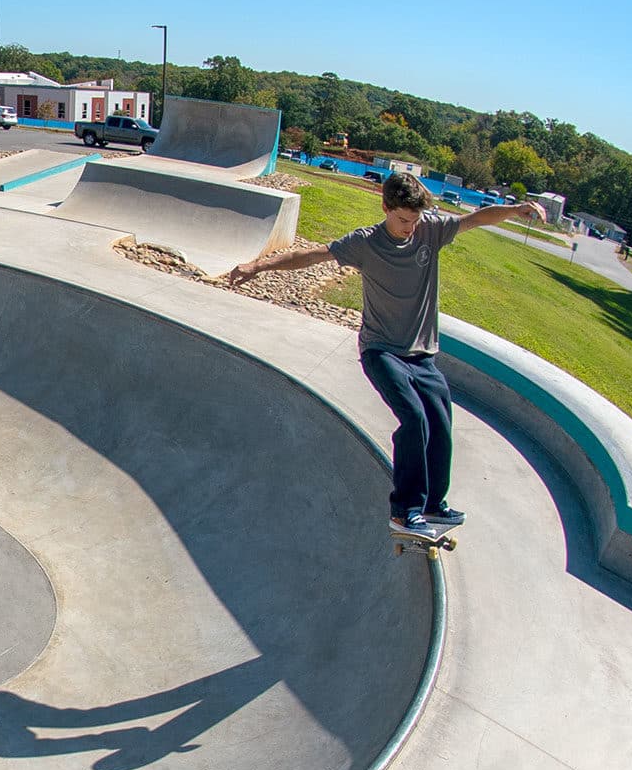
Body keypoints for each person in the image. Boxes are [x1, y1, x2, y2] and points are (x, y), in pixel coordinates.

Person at [225, 173, 545, 540]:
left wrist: (517, 209)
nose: (411, 227)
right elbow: (313, 256)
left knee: (440, 424)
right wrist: (256, 266)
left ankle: (431, 506)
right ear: (385, 208)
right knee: (413, 418)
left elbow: (476, 219)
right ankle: (404, 510)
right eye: (404, 220)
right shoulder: (365, 243)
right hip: (381, 351)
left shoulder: (430, 230)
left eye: (415, 220)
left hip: (422, 355)